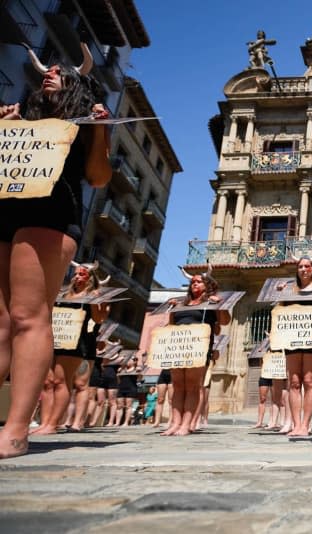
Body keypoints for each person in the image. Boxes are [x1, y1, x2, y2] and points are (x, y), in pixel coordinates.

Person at [0, 45, 111, 459]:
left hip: (50, 211)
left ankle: (15, 430)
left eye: (60, 72)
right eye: (47, 70)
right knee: (1, 323)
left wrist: (100, 130)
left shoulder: (84, 123)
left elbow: (98, 178)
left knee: (29, 316)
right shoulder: (19, 117)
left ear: (77, 85)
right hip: (5, 207)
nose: (49, 73)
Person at [31, 263, 110, 435]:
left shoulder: (92, 295)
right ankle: (44, 423)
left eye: (82, 274)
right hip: (55, 339)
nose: (77, 277)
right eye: (76, 273)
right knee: (47, 382)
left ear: (89, 278)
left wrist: (100, 305)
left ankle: (52, 424)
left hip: (75, 341)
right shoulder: (64, 293)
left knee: (61, 381)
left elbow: (97, 320)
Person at [161, 266, 229, 436]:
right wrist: (172, 310)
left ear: (206, 285)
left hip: (198, 348)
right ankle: (175, 423)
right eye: (192, 282)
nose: (194, 284)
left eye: (198, 282)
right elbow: (171, 326)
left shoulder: (209, 304)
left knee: (192, 386)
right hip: (177, 348)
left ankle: (186, 424)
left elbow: (224, 322)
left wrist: (219, 304)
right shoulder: (181, 303)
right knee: (177, 386)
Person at [275, 256, 312, 436]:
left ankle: (305, 424)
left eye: (307, 266)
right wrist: (280, 294)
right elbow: (280, 311)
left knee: (308, 380)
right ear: (297, 269)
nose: (304, 269)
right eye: (300, 266)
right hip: (292, 337)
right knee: (293, 381)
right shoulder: (289, 289)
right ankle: (296, 424)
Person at [116, 356, 141, 427]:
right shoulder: (122, 369)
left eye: (129, 360)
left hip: (131, 388)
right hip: (121, 388)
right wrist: (118, 373)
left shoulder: (136, 369)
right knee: (119, 406)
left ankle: (126, 422)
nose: (127, 361)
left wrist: (139, 373)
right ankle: (117, 422)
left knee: (128, 406)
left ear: (134, 362)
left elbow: (139, 380)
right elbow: (118, 380)